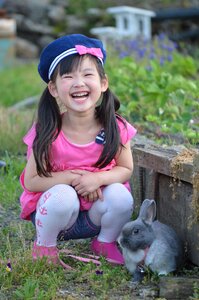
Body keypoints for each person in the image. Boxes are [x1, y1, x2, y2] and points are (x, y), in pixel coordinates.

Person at [19, 34, 137, 266]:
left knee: (121, 197)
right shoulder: (47, 130)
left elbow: (125, 169)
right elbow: (31, 181)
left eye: (87, 74)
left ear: (103, 83)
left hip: (95, 213)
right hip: (55, 214)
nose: (78, 83)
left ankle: (105, 242)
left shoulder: (116, 126)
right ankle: (44, 248)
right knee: (63, 195)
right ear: (53, 89)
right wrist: (74, 179)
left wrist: (98, 178)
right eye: (68, 76)